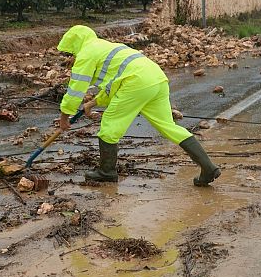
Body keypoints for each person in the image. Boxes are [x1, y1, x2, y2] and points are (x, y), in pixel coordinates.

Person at [56, 25, 221, 186]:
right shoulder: (105, 46)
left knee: (110, 125)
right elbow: (114, 83)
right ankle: (208, 167)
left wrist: (64, 118)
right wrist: (93, 103)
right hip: (157, 79)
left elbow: (75, 91)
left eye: (70, 53)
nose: (70, 57)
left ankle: (106, 172)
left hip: (136, 82)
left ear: (74, 45)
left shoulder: (85, 54)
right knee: (169, 126)